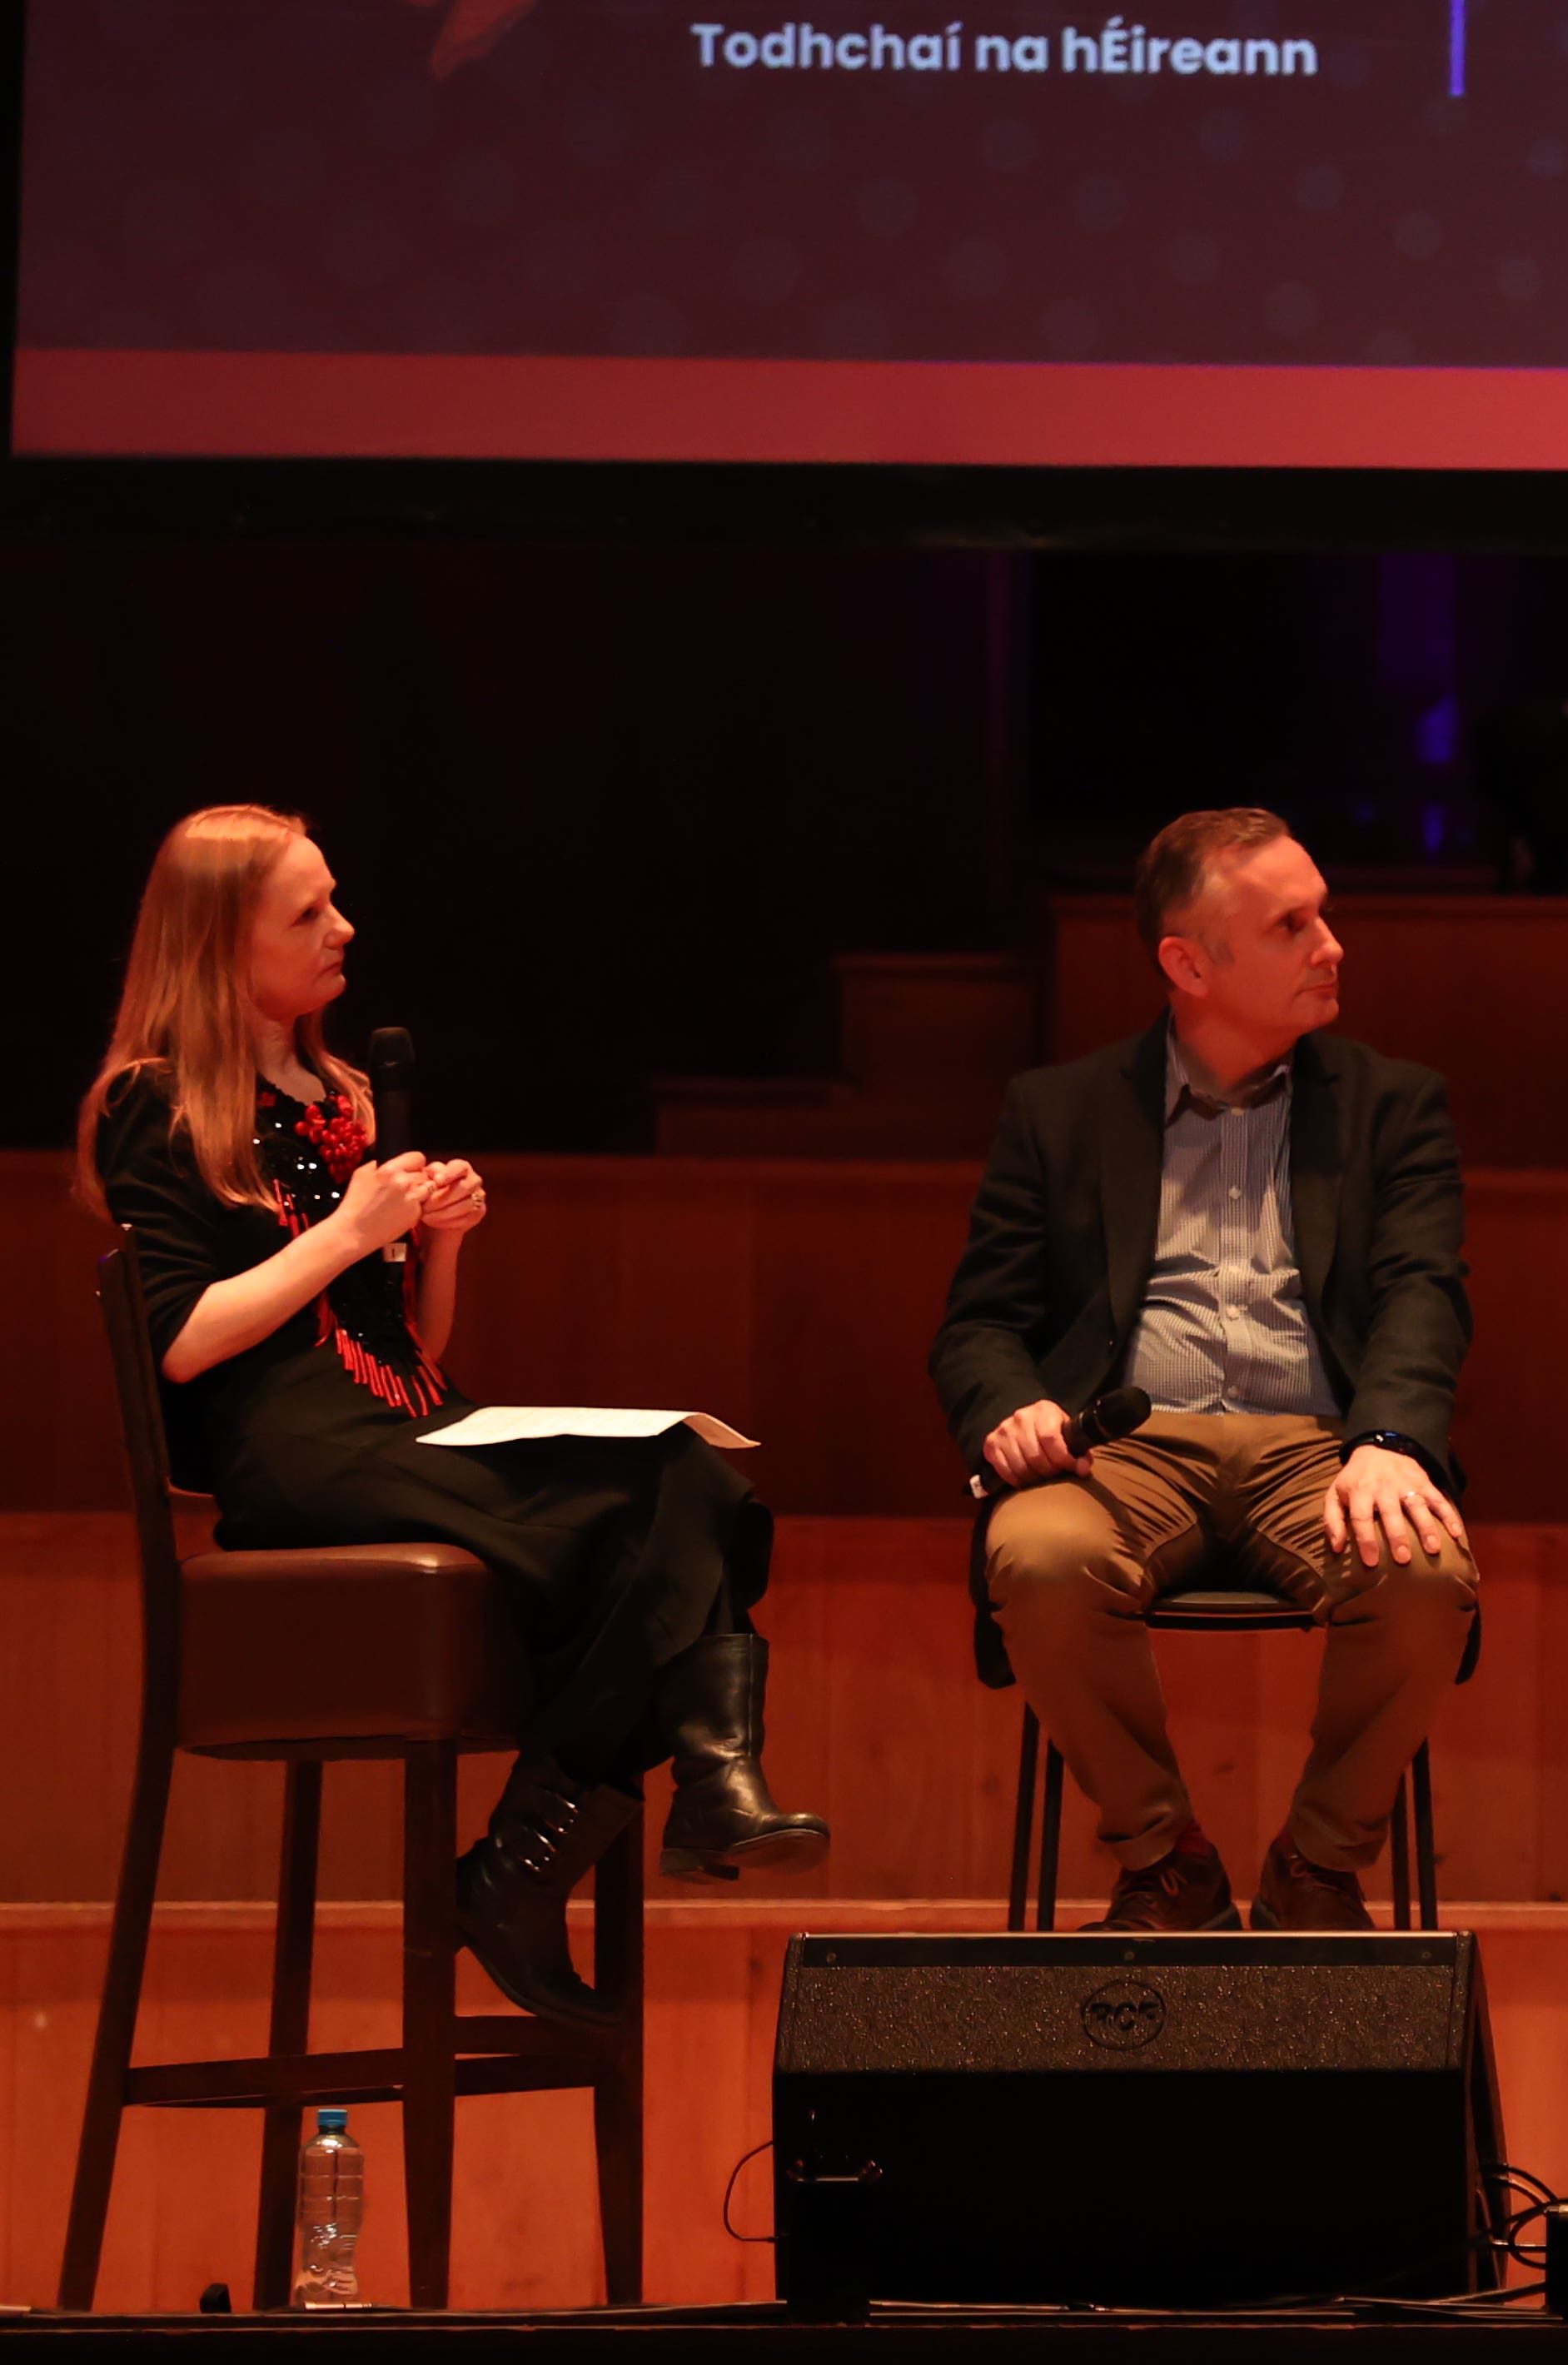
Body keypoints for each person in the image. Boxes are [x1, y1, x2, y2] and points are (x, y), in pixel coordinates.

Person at [80, 808, 819, 2028]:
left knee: (695, 1475)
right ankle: (617, 1815)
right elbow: (182, 1339)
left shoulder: (344, 1091)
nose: (343, 927)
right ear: (221, 943)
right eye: (308, 912)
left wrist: (442, 1249)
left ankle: (590, 1828)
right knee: (644, 1520)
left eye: (335, 900)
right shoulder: (155, 1106)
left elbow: (411, 1349)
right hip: (290, 1448)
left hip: (406, 1418)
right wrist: (351, 1231)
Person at [931, 809, 1476, 1934]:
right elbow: (979, 1324)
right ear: (1187, 962)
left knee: (1425, 1570)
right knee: (1034, 1554)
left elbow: (1426, 1294)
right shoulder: (1062, 1110)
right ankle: (1164, 1858)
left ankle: (1315, 1869)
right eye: (1292, 925)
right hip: (1129, 1448)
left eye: (1323, 912)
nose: (1334, 944)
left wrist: (1388, 1442)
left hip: (1321, 1449)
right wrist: (1012, 1406)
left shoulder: (1391, 1104)